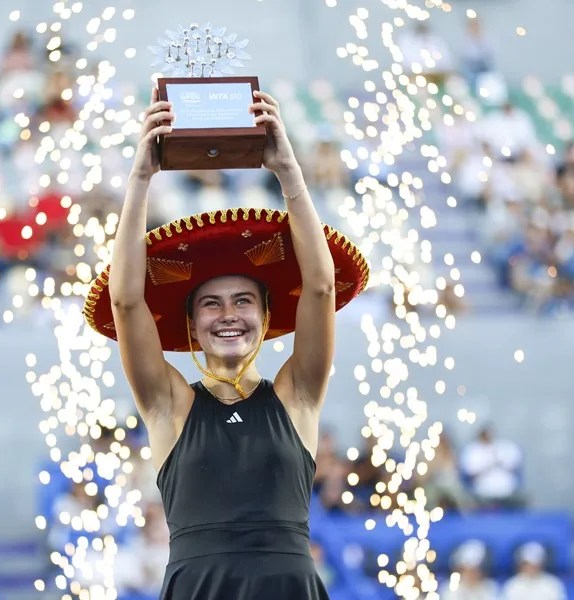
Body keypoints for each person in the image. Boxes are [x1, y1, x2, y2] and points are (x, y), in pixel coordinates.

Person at [83, 89, 368, 599]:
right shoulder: (168, 405)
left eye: (243, 301)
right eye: (211, 304)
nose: (229, 315)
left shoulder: (297, 395)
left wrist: (286, 169)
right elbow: (127, 303)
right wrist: (141, 177)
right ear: (190, 324)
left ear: (265, 316)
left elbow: (320, 286)